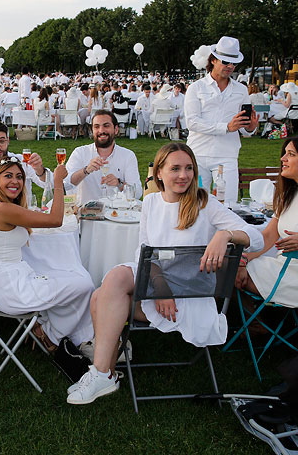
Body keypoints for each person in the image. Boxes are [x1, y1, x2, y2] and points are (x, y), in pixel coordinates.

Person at [66, 143, 263, 405]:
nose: (183, 175)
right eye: (175, 168)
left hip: (189, 295)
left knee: (100, 297)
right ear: (159, 173)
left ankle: (103, 373)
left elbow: (257, 238)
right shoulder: (150, 202)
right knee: (111, 283)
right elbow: (144, 252)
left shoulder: (204, 202)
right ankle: (104, 373)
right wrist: (160, 287)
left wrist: (225, 234)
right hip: (159, 285)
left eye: (189, 168)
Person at [0, 157, 94, 354]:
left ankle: (53, 329)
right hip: (14, 290)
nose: (15, 181)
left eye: (19, 177)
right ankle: (51, 334)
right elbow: (56, 220)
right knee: (85, 284)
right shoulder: (2, 209)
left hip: (5, 285)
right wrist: (57, 182)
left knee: (72, 276)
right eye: (8, 176)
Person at [184, 36, 259, 203]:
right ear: (213, 60)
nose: (231, 66)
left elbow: (242, 127)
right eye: (226, 62)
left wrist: (250, 127)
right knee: (195, 204)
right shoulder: (196, 88)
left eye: (234, 63)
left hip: (227, 154)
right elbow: (192, 122)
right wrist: (226, 127)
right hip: (198, 153)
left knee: (228, 204)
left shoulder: (241, 90)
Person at [236, 137, 298, 306]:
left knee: (226, 273)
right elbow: (269, 236)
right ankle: (258, 323)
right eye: (284, 154)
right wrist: (244, 260)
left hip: (292, 275)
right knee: (230, 265)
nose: (282, 159)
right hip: (282, 266)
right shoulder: (289, 195)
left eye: (290, 154)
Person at [65, 110, 142, 205]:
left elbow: (137, 193)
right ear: (92, 130)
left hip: (117, 214)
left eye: (106, 126)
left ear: (116, 129)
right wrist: (86, 170)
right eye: (96, 127)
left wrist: (119, 183)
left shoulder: (128, 156)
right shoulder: (80, 153)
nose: (101, 131)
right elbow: (66, 184)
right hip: (85, 214)